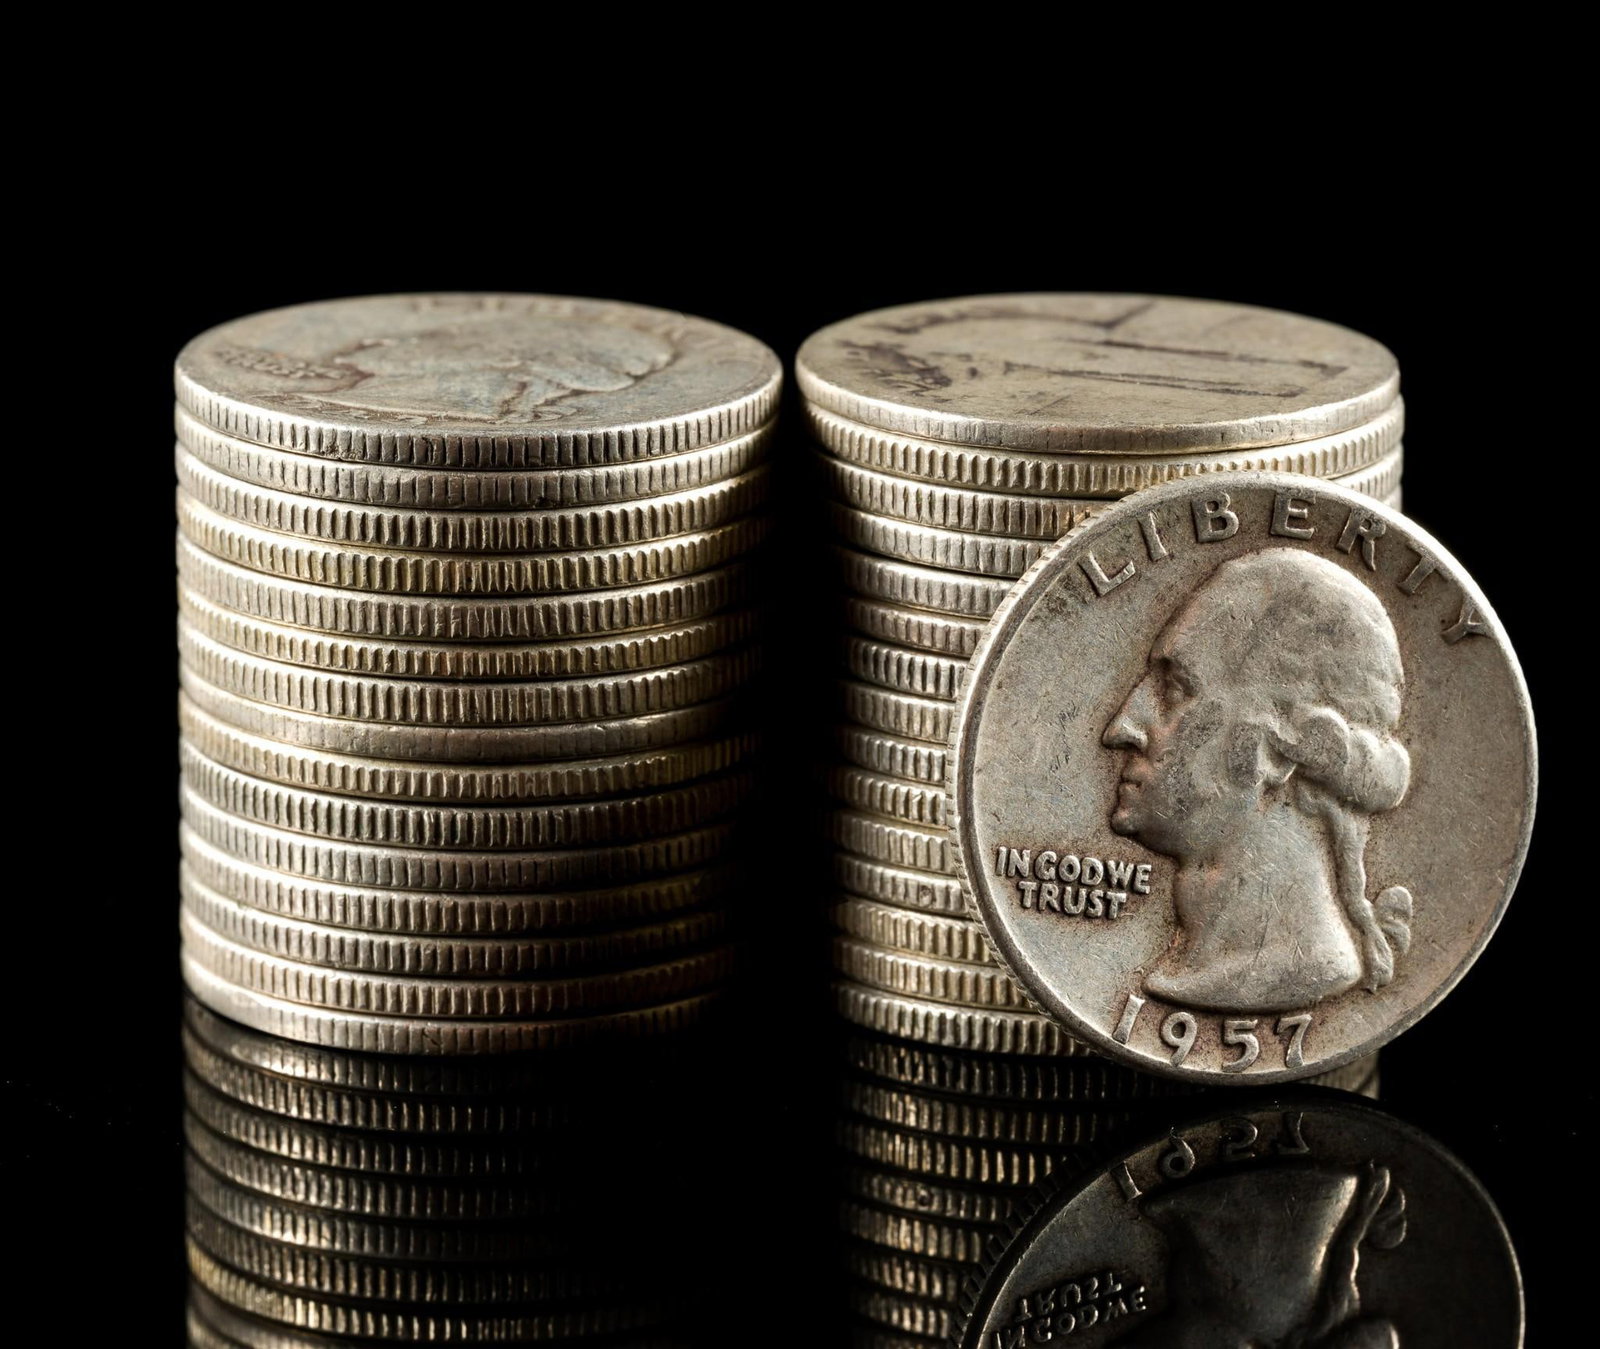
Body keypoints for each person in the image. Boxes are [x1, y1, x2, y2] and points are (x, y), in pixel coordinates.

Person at [1102, 549, 1413, 1013]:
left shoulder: (1285, 967)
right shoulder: (1203, 968)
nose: (1121, 728)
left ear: (1280, 746)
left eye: (1176, 689)